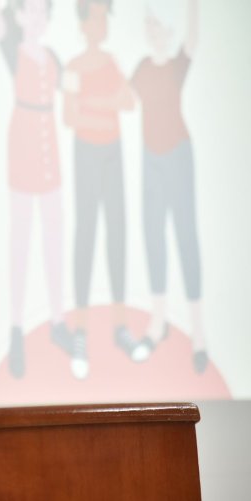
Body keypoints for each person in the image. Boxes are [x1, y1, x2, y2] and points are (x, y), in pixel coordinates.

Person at [0, 0, 71, 378]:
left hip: (48, 139)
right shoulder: (13, 48)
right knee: (21, 237)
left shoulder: (54, 55)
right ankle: (17, 329)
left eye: (42, 11)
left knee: (55, 234)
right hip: (22, 138)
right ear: (18, 15)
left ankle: (58, 321)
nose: (36, 17)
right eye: (30, 10)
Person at [62, 0, 141, 379]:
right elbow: (69, 115)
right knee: (87, 235)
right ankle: (79, 332)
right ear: (84, 24)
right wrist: (102, 103)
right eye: (96, 17)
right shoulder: (74, 66)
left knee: (118, 233)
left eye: (104, 18)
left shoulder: (112, 61)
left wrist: (96, 103)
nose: (103, 24)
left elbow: (128, 101)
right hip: (86, 152)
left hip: (113, 151)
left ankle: (120, 327)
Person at [131, 0, 207, 372]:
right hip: (150, 159)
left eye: (155, 24)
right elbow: (124, 99)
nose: (151, 31)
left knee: (185, 234)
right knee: (153, 235)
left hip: (178, 154)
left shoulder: (176, 65)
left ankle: (199, 332)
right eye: (147, 24)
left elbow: (193, 36)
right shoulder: (141, 69)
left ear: (166, 28)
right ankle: (157, 321)